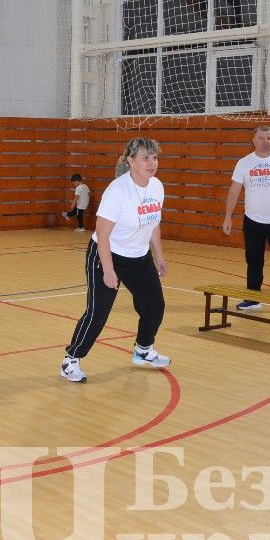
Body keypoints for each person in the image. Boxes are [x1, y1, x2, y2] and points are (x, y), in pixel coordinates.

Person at [60, 137, 170, 383]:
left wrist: (159, 255)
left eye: (154, 158)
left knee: (154, 306)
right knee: (98, 313)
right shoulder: (118, 191)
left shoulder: (156, 187)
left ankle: (143, 349)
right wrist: (108, 271)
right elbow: (103, 234)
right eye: (145, 158)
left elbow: (153, 223)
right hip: (107, 255)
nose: (152, 163)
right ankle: (71, 360)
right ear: (131, 161)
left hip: (139, 257)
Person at [222, 125, 270, 314]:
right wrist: (228, 216)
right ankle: (253, 298)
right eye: (261, 138)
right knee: (253, 259)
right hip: (253, 220)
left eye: (269, 138)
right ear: (254, 140)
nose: (265, 142)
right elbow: (234, 191)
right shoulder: (244, 163)